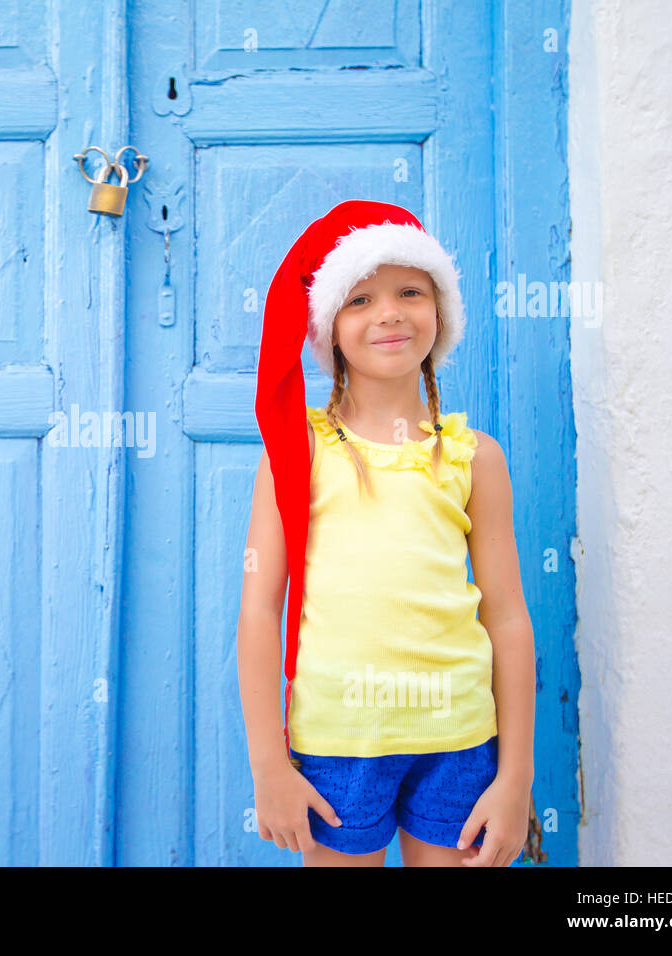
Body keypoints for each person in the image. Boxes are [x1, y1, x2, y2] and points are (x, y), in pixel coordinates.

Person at [238, 200, 536, 867]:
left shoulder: (473, 457)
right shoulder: (297, 453)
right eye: (361, 298)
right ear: (331, 328)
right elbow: (260, 609)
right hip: (340, 743)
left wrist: (514, 778)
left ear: (442, 310)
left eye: (410, 292)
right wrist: (268, 764)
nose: (391, 312)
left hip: (460, 738)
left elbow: (509, 619)